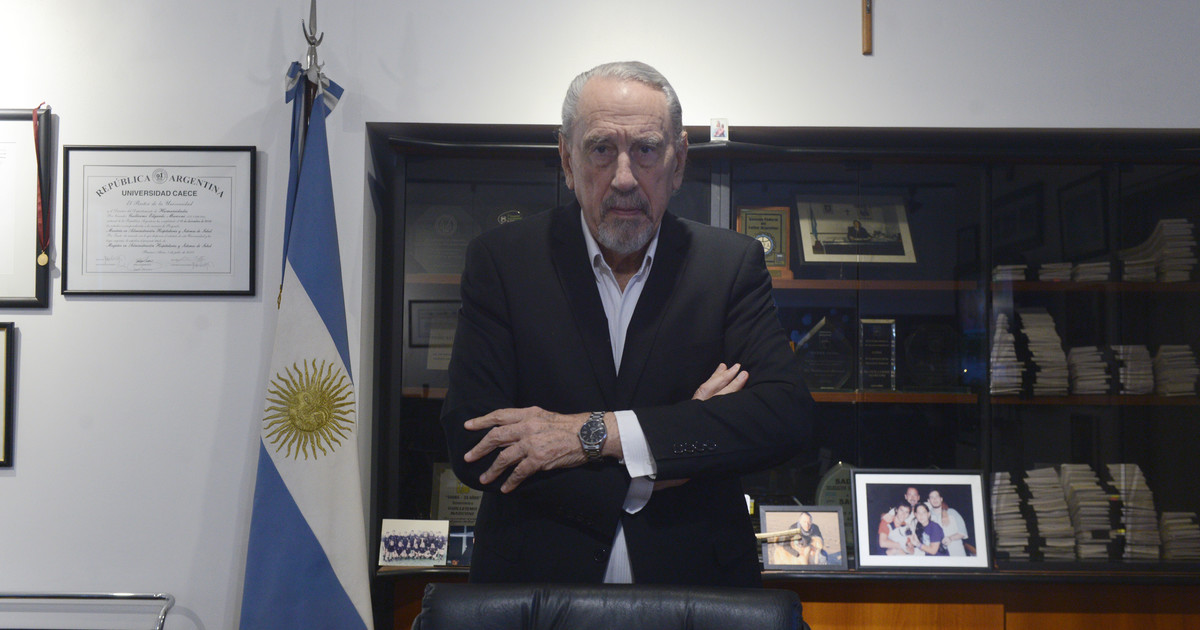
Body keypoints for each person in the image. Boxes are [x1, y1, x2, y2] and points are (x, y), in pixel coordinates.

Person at [440, 60, 813, 587]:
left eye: (646, 150)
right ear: (567, 160)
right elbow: (477, 444)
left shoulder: (729, 266)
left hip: (695, 592)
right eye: (600, 149)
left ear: (678, 162)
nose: (623, 178)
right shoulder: (502, 262)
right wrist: (667, 455)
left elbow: (783, 418)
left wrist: (594, 435)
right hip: (537, 593)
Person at [928, 489, 969, 556]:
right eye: (932, 497)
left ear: (941, 499)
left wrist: (950, 538)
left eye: (937, 496)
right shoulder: (927, 516)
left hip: (956, 553)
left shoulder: (952, 512)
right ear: (929, 501)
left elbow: (963, 532)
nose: (935, 499)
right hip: (938, 555)